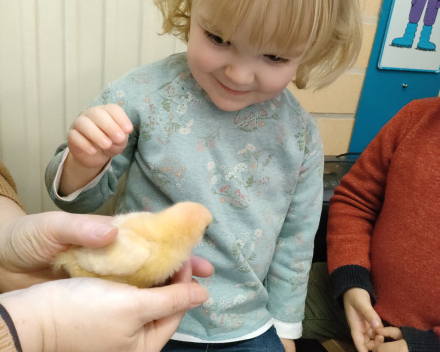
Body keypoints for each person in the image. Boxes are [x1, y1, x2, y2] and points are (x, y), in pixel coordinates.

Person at [44, 0, 362, 351]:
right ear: (190, 10)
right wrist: (84, 162)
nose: (239, 75)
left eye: (275, 57)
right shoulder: (141, 94)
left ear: (310, 52)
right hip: (141, 309)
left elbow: (297, 240)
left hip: (249, 325)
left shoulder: (300, 134)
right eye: (219, 38)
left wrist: (285, 328)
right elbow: (79, 204)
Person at [0, 161, 213, 352]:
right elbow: (81, 259)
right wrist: (50, 328)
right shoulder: (140, 250)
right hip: (81, 268)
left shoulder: (155, 233)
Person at [320, 98, 440, 352]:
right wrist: (351, 280)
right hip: (358, 296)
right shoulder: (416, 116)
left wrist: (428, 346)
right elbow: (355, 202)